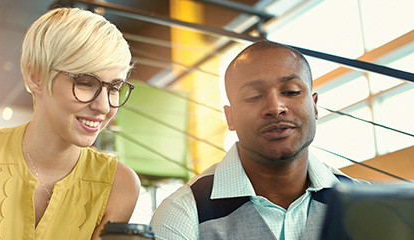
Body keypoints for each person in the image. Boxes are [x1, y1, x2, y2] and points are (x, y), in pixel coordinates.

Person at [0, 8, 140, 240]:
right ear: (35, 77)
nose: (104, 106)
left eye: (114, 88)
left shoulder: (120, 186)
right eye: (85, 83)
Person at [149, 41, 364, 240]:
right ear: (230, 117)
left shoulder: (366, 204)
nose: (275, 108)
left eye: (291, 91)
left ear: (315, 105)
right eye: (253, 96)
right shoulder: (183, 212)